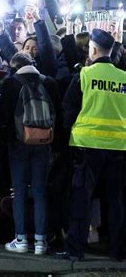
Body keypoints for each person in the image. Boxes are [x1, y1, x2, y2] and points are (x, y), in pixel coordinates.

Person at [0, 52, 61, 255]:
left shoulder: (11, 83)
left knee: (19, 191)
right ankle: (40, 242)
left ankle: (20, 240)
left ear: (14, 67)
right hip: (45, 142)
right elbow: (58, 116)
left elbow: (4, 116)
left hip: (18, 143)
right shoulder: (50, 83)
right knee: (39, 191)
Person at [61, 28, 126, 262]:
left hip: (86, 146)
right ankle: (118, 251)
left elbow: (68, 110)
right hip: (119, 147)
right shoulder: (124, 79)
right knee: (117, 201)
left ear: (93, 50)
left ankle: (75, 249)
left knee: (82, 200)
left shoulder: (85, 76)